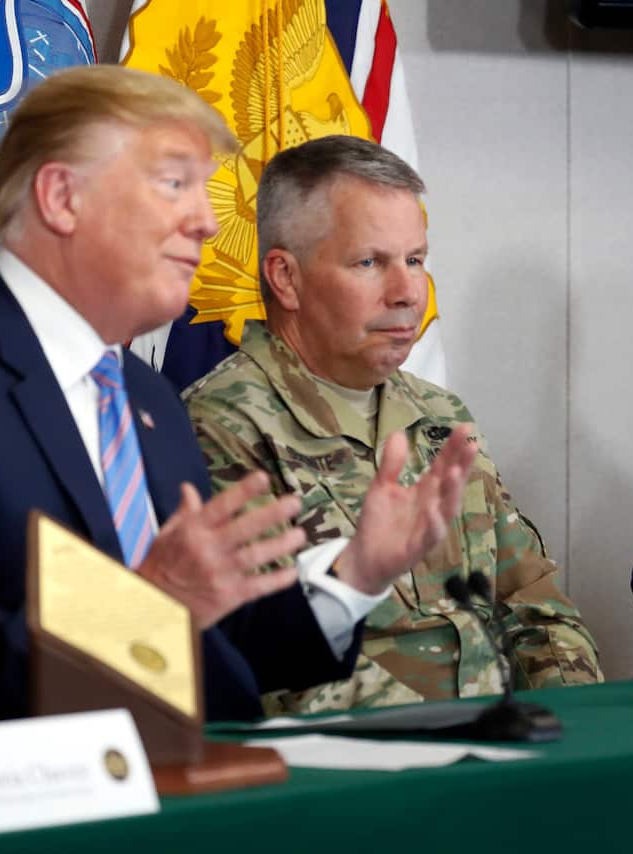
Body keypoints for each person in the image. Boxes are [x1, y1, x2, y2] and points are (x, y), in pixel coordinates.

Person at [0, 66, 477, 760]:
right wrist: (141, 609)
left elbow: (214, 649)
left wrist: (355, 575)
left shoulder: (144, 399)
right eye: (174, 185)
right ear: (63, 197)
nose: (208, 221)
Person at [185, 135, 602, 714]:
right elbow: (275, 666)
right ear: (285, 278)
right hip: (365, 770)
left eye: (415, 260)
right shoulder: (222, 424)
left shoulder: (441, 416)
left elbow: (533, 599)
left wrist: (578, 724)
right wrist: (462, 733)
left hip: (505, 751)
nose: (408, 292)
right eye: (369, 263)